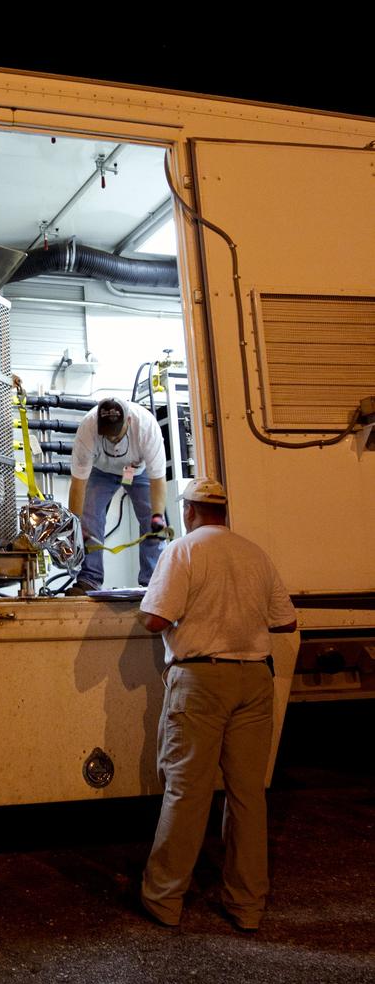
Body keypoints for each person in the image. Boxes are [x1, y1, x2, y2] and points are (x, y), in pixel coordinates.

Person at [137, 477, 297, 931]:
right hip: (254, 680)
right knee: (248, 796)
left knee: (187, 792)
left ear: (188, 511)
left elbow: (155, 619)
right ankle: (247, 905)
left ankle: (164, 900)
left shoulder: (183, 551)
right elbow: (286, 622)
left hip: (202, 680)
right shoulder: (254, 553)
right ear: (224, 511)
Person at [68, 396, 168, 591]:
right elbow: (78, 484)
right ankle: (90, 579)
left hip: (137, 471)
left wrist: (157, 516)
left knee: (153, 522)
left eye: (116, 433)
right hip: (101, 471)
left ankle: (153, 582)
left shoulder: (146, 426)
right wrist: (76, 524)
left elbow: (158, 480)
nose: (112, 438)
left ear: (128, 420)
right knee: (89, 519)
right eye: (107, 433)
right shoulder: (88, 429)